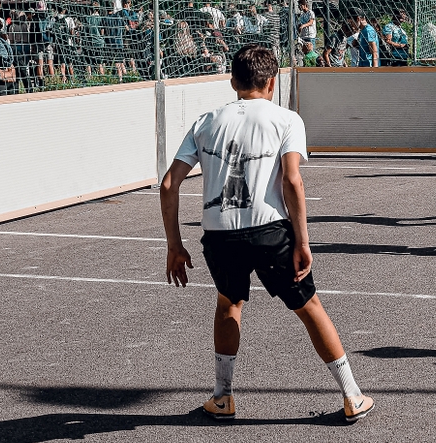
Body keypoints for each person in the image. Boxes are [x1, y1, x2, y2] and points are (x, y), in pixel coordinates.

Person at [160, 44, 373, 422]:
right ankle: (352, 395)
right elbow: (292, 181)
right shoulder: (286, 119)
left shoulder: (206, 121)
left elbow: (168, 185)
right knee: (309, 307)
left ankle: (223, 397)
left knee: (229, 303)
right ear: (272, 82)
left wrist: (175, 246)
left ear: (232, 81)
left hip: (219, 232)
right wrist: (303, 242)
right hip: (270, 230)